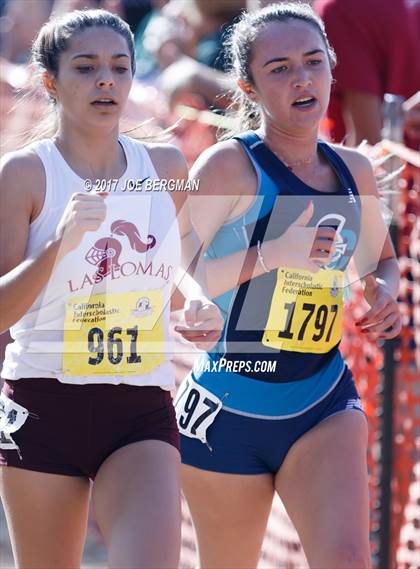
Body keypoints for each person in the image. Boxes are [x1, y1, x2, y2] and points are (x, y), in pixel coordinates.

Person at [176, 4, 401, 569]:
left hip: (321, 393)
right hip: (230, 399)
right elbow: (175, 270)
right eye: (279, 68)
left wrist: (385, 293)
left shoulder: (356, 169)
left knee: (348, 559)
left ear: (332, 67)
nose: (302, 78)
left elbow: (381, 262)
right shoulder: (229, 166)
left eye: (313, 62)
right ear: (248, 85)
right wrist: (271, 254)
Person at [0, 9, 222, 569]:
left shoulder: (166, 164)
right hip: (42, 402)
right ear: (51, 81)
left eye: (120, 68)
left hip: (139, 406)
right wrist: (61, 244)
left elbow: (172, 264)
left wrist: (193, 298)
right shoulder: (25, 175)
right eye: (86, 67)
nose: (107, 80)